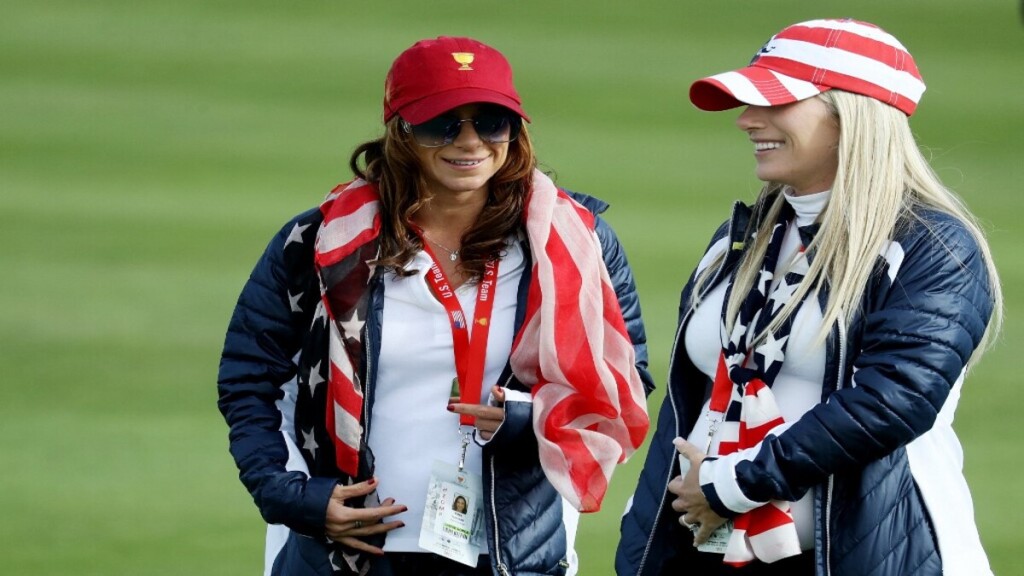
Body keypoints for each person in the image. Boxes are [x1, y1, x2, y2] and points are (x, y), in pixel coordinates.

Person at [218, 36, 653, 576]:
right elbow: (250, 377)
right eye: (440, 123)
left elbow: (622, 381)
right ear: (399, 132)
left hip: (509, 550)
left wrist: (523, 419)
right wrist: (295, 497)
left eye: (491, 121)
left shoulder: (577, 242)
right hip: (352, 551)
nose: (469, 141)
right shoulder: (321, 241)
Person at [616, 18, 1002, 576]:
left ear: (852, 116)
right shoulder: (743, 236)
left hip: (860, 554)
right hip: (709, 550)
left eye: (774, 103)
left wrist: (733, 484)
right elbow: (692, 400)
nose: (748, 121)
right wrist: (645, 530)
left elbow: (892, 402)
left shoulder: (933, 246)